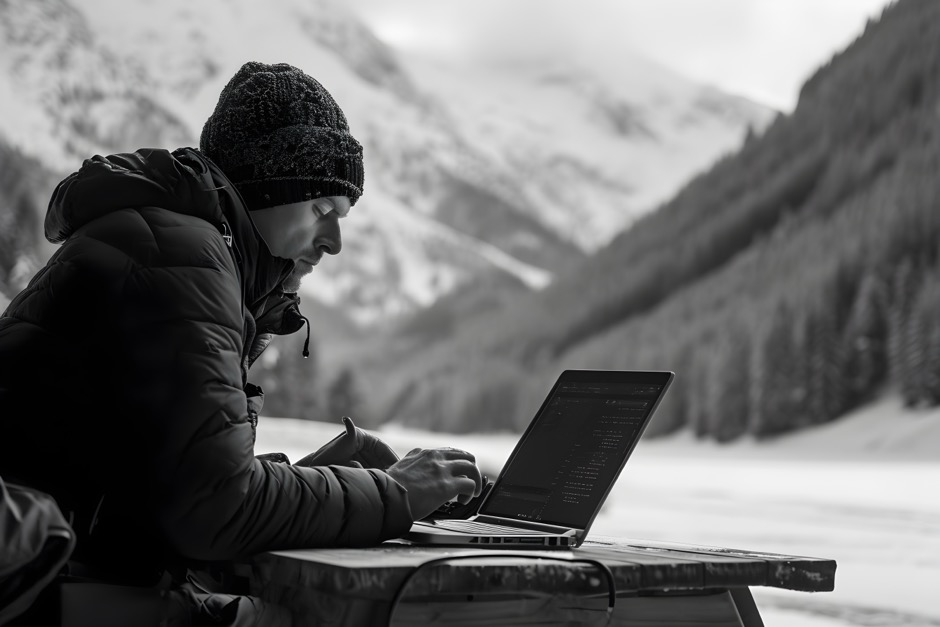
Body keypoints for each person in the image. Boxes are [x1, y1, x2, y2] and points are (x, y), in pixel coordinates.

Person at [0, 61, 483, 622]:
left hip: (60, 576)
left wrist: (331, 477)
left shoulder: (166, 238)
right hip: (50, 595)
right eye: (322, 209)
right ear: (266, 186)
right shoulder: (183, 254)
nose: (334, 241)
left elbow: (170, 483)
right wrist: (392, 494)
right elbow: (215, 510)